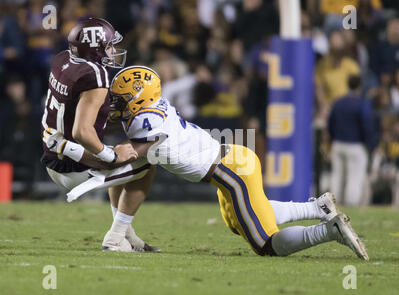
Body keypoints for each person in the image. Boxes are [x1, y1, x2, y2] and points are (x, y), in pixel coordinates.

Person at [67, 66, 369, 261]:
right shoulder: (146, 110)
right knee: (238, 222)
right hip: (229, 165)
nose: (114, 104)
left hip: (232, 171)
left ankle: (329, 232)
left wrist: (78, 148)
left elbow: (128, 155)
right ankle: (316, 208)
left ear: (136, 99)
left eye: (119, 99)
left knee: (265, 245)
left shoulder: (146, 121)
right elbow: (127, 158)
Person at [40, 17, 159, 252]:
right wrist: (109, 156)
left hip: (53, 154)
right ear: (95, 48)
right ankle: (115, 238)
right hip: (74, 166)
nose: (113, 50)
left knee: (121, 159)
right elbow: (82, 131)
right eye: (108, 45)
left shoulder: (62, 59)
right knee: (147, 162)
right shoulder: (95, 75)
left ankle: (126, 234)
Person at [328, 75, 376, 206]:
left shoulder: (338, 102)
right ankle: (351, 206)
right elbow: (367, 127)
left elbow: (330, 123)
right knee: (354, 178)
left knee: (337, 177)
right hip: (356, 145)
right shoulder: (361, 104)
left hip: (338, 144)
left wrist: (333, 139)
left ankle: (332, 206)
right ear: (360, 87)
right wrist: (370, 145)